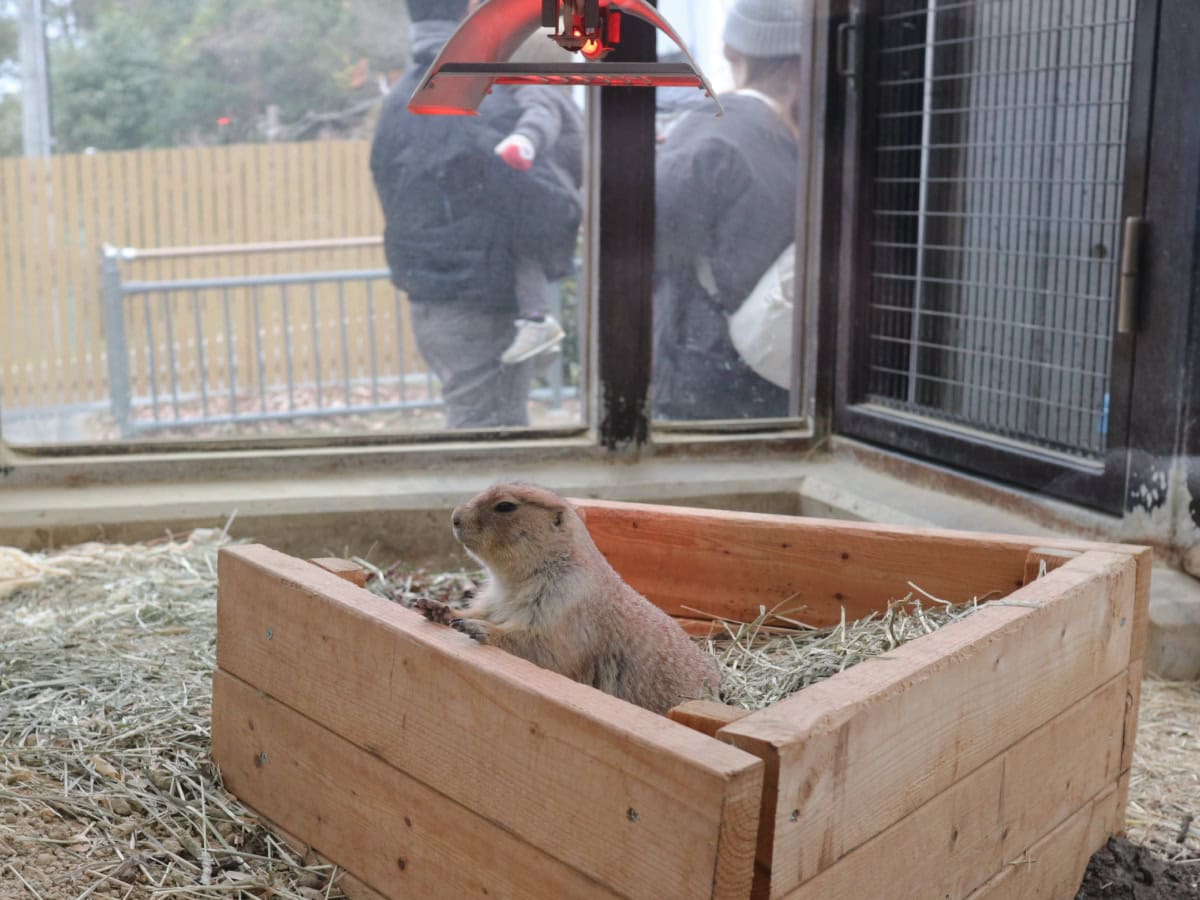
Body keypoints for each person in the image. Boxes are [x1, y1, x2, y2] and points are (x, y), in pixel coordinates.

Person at [370, 0, 582, 428]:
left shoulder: (396, 103)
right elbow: (546, 202)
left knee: (476, 431)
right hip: (483, 308)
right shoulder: (488, 100)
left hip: (430, 303)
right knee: (489, 447)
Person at [651, 0, 804, 420]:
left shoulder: (710, 132)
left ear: (731, 52)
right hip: (790, 373)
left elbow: (645, 246)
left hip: (702, 372)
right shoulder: (816, 143)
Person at [493, 44, 585, 366]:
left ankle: (536, 323)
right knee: (527, 256)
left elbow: (540, 117)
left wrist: (524, 140)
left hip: (551, 197)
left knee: (521, 249)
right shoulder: (564, 97)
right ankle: (542, 338)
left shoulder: (538, 91)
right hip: (562, 196)